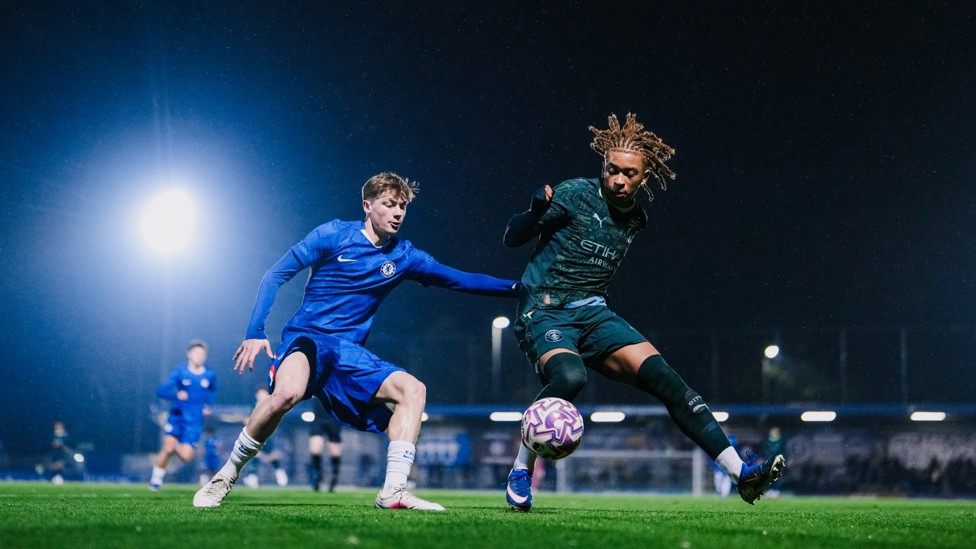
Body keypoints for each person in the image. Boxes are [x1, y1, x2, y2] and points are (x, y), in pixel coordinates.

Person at [502, 113, 785, 511]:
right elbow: (512, 238)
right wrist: (534, 213)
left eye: (629, 174)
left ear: (644, 178)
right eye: (612, 170)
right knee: (570, 376)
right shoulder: (575, 194)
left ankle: (742, 474)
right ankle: (520, 470)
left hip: (595, 314)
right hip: (546, 311)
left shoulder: (636, 218)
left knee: (668, 381)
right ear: (603, 167)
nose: (618, 180)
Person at [194, 172, 519, 511]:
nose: (397, 213)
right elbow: (276, 274)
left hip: (348, 354)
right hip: (307, 339)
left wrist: (519, 289)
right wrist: (254, 331)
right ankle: (225, 477)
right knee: (286, 394)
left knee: (414, 391)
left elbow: (462, 280)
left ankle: (394, 491)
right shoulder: (333, 234)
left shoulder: (405, 256)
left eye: (402, 207)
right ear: (367, 205)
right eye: (389, 204)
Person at [151, 340, 216, 490]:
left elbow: (212, 392)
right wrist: (176, 395)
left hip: (194, 422)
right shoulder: (180, 372)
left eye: (203, 354)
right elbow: (161, 391)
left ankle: (173, 445)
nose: (200, 356)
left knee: (186, 456)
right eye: (197, 353)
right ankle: (155, 481)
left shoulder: (210, 374)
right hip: (177, 417)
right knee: (167, 449)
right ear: (189, 354)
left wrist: (208, 405)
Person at [243, 387, 289, 488]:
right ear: (256, 396)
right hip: (255, 435)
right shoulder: (253, 407)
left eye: (263, 394)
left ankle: (280, 473)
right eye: (259, 394)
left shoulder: (270, 406)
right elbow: (247, 419)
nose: (261, 396)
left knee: (271, 455)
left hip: (267, 434)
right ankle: (253, 477)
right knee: (255, 454)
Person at [309, 400, 344, 492]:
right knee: (315, 449)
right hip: (318, 418)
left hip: (333, 418)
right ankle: (317, 475)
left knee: (334, 452)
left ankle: (334, 476)